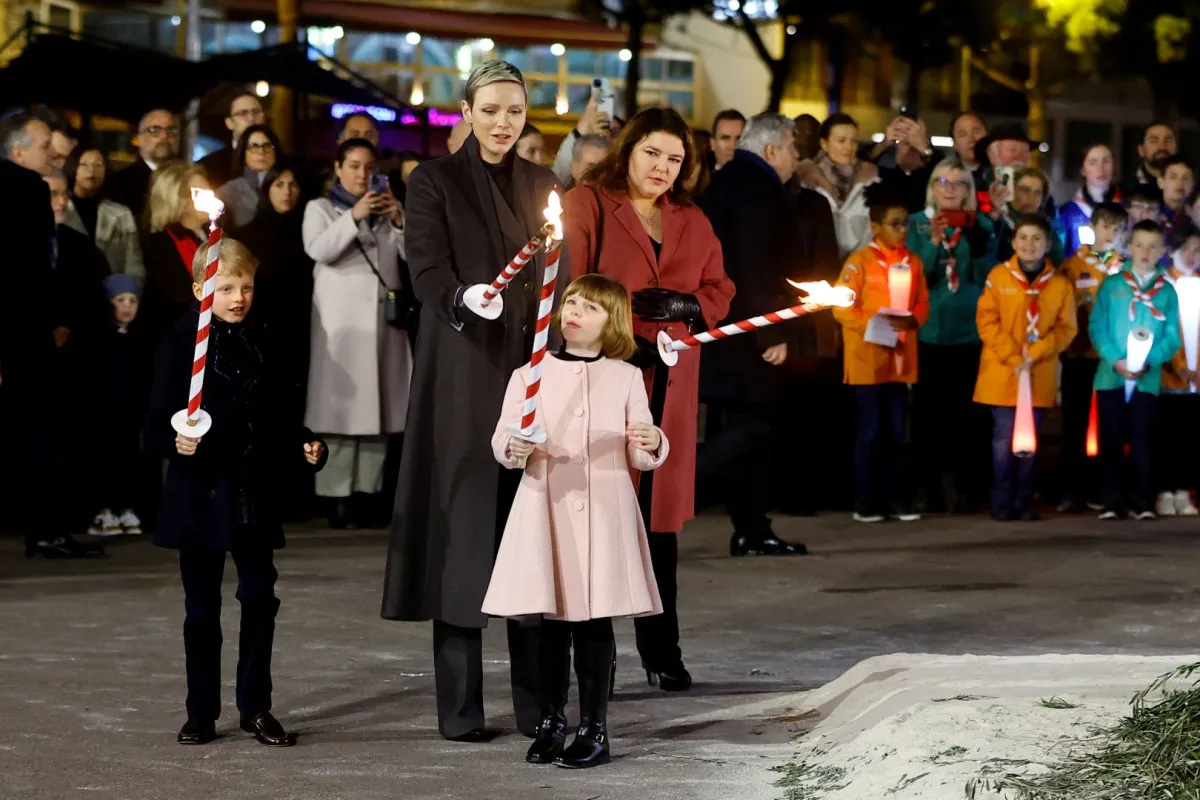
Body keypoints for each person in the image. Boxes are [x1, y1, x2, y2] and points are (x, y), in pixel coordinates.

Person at [381, 60, 559, 742]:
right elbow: (423, 266)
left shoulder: (543, 184)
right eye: (490, 110)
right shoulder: (434, 180)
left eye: (514, 111)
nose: (503, 123)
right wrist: (460, 297)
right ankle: (460, 708)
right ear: (467, 110)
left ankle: (537, 701)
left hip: (528, 370)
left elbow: (557, 272)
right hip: (462, 371)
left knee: (525, 529)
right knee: (461, 528)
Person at [563, 106, 735, 692]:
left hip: (671, 382)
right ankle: (596, 659)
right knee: (606, 515)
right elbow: (572, 287)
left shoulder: (691, 218)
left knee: (658, 524)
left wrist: (692, 308)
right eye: (653, 153)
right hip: (606, 376)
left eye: (676, 159)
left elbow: (720, 288)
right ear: (628, 149)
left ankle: (663, 650)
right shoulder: (587, 203)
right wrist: (621, 339)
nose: (664, 168)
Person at [145, 237, 327, 747]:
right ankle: (200, 710)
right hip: (199, 492)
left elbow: (281, 415)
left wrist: (307, 444)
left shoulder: (265, 337)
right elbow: (155, 422)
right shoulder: (181, 341)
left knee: (258, 598)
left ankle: (256, 706)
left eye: (245, 286)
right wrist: (174, 440)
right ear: (202, 287)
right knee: (201, 609)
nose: (238, 297)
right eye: (226, 287)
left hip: (252, 492)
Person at [482, 274, 666, 769]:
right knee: (547, 622)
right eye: (570, 303)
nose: (574, 312)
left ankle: (595, 728)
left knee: (594, 619)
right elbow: (504, 439)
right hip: (546, 505)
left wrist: (650, 442)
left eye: (589, 307)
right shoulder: (530, 374)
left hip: (605, 509)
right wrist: (514, 448)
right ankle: (550, 722)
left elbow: (640, 449)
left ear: (613, 322)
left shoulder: (626, 376)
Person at [698, 112, 807, 555]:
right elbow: (757, 263)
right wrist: (772, 329)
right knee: (756, 423)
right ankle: (682, 487)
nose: (798, 158)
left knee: (743, 424)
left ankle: (751, 526)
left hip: (726, 329)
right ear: (771, 151)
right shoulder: (756, 188)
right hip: (745, 332)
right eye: (793, 149)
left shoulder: (729, 181)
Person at [0, 109, 101, 558]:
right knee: (41, 432)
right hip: (22, 339)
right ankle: (46, 530)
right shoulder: (23, 189)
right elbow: (26, 272)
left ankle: (45, 528)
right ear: (18, 151)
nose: (54, 156)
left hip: (25, 334)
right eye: (45, 148)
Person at [303, 138, 411, 530]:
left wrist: (399, 218)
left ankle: (368, 496)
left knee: (377, 414)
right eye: (352, 165)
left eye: (367, 167)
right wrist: (354, 217)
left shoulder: (385, 211)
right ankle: (335, 499)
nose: (361, 174)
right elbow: (318, 249)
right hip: (341, 326)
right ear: (337, 167)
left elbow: (412, 255)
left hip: (382, 325)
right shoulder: (320, 208)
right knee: (338, 414)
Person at [833, 181, 930, 523]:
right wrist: (873, 324)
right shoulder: (859, 262)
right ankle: (865, 502)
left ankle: (897, 500)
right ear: (875, 227)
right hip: (867, 360)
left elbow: (921, 303)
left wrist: (913, 321)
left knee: (896, 433)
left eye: (905, 223)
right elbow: (841, 307)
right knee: (870, 432)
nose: (903, 230)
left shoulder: (913, 262)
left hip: (901, 361)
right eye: (895, 224)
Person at [974, 214, 1076, 522]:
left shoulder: (1059, 284)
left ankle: (1024, 500)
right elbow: (987, 322)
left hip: (1038, 372)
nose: (1029, 245)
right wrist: (1016, 358)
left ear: (1047, 244)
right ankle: (1001, 501)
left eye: (1036, 239)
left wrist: (1036, 353)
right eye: (1023, 238)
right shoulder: (998, 277)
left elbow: (1065, 328)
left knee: (1030, 440)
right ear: (1013, 242)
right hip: (1004, 373)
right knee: (1004, 440)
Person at [906, 160, 994, 514]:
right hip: (930, 330)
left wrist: (976, 244)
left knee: (965, 416)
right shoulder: (917, 222)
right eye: (944, 181)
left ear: (968, 191)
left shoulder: (981, 223)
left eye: (960, 183)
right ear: (932, 185)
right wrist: (932, 244)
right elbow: (914, 275)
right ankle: (926, 487)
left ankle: (959, 486)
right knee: (926, 415)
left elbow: (985, 276)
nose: (951, 188)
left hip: (969, 331)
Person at [1091, 220, 1181, 521]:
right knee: (1112, 438)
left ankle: (1141, 500)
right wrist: (1114, 358)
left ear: (1163, 251)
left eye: (1153, 246)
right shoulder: (1113, 285)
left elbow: (1171, 336)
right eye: (1139, 245)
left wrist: (1150, 359)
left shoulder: (1166, 292)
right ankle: (1111, 500)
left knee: (1142, 440)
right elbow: (1097, 325)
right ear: (1128, 247)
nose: (1146, 251)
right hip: (1111, 376)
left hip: (1147, 380)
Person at [1057, 202, 1128, 513]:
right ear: (1093, 228)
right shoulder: (1072, 265)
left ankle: (1105, 489)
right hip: (1080, 356)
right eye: (1105, 226)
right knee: (1075, 423)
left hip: (1113, 359)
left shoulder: (1125, 267)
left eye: (1116, 229)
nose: (1110, 234)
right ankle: (1071, 490)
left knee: (1111, 425)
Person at [236, 162, 312, 393]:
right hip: (264, 323)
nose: (287, 192)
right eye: (279, 184)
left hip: (303, 321)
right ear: (268, 188)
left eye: (293, 184)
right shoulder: (248, 233)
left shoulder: (310, 228)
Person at [88, 273, 151, 536]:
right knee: (104, 458)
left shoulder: (141, 338)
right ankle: (104, 511)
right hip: (103, 412)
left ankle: (126, 508)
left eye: (132, 300)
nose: (127, 306)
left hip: (130, 411)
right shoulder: (98, 338)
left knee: (129, 458)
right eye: (120, 300)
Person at [1156, 230, 1200, 516]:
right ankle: (1163, 491)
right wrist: (1179, 364)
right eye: (1190, 248)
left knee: (1189, 437)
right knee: (1165, 436)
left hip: (1195, 380)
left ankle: (1184, 491)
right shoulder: (1161, 284)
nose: (1194, 255)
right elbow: (1160, 328)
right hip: (1167, 376)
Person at [142, 163, 212, 343]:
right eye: (201, 192)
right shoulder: (159, 244)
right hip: (180, 338)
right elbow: (172, 297)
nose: (211, 196)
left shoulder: (216, 234)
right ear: (181, 201)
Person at [797, 113, 879, 257]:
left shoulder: (870, 180)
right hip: (818, 264)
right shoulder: (807, 179)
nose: (849, 147)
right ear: (824, 143)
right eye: (841, 141)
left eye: (853, 141)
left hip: (858, 265)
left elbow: (872, 229)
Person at [62, 145, 144, 279]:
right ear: (73, 167)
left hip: (113, 293)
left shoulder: (121, 214)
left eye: (98, 165)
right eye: (84, 164)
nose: (91, 171)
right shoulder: (60, 209)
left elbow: (134, 264)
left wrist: (129, 292)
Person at [107, 109, 182, 224]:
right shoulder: (118, 183)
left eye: (171, 130)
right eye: (154, 130)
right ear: (139, 137)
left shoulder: (189, 180)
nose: (164, 136)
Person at [992, 167, 1066, 266]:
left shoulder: (1046, 227)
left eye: (1037, 193)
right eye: (1025, 191)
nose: (1031, 198)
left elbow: (1059, 262)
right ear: (1011, 191)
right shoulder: (997, 220)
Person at [1058, 144, 1122, 256]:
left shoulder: (1127, 208)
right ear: (1083, 170)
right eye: (1093, 162)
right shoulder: (1067, 213)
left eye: (1106, 161)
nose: (1100, 168)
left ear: (1114, 167)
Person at [197, 92, 266, 188]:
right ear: (229, 123)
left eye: (256, 112)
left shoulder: (283, 164)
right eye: (243, 113)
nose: (251, 118)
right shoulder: (208, 167)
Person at [218, 124, 281, 230]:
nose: (261, 152)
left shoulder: (290, 185)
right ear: (244, 153)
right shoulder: (229, 190)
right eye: (254, 146)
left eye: (267, 146)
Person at [1124, 122, 1177, 193]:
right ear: (1141, 150)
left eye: (1168, 141)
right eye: (1154, 141)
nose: (1162, 147)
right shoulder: (1125, 191)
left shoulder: (1189, 190)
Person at [1157, 155, 1194, 247]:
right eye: (1173, 177)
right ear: (1161, 182)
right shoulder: (1151, 213)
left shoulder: (1196, 218)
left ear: (1193, 184)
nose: (1180, 183)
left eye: (1186, 178)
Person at [949, 112, 987, 188]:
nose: (971, 139)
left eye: (977, 132)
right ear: (954, 144)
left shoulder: (1000, 172)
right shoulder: (946, 174)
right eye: (962, 134)